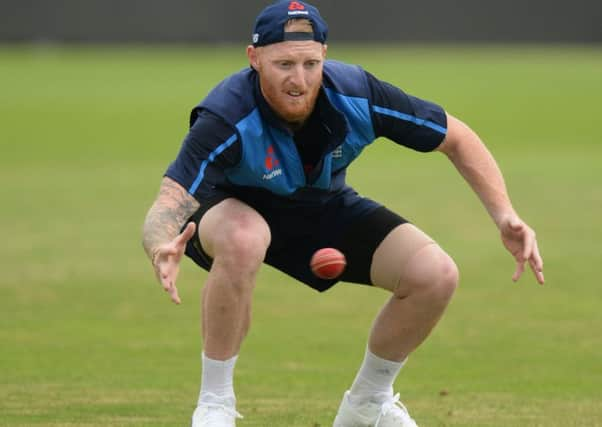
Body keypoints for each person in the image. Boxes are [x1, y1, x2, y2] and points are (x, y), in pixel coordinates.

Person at [142, 1, 545, 426]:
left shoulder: (356, 93)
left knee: (435, 274)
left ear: (324, 57)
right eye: (283, 64)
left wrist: (505, 215)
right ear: (254, 58)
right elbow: (169, 201)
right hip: (232, 212)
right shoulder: (227, 114)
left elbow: (457, 137)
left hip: (321, 206)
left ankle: (367, 404)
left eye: (310, 63)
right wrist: (160, 245)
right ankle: (215, 404)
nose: (299, 80)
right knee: (246, 237)